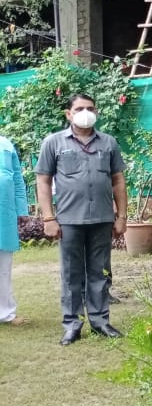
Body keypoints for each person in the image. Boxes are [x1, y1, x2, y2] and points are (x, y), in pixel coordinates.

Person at [35, 94, 128, 345]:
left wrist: (121, 216)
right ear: (69, 113)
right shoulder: (53, 143)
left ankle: (100, 321)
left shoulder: (108, 143)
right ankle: (72, 324)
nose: (85, 112)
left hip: (102, 219)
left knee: (101, 272)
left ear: (96, 111)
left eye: (90, 108)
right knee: (71, 273)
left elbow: (118, 180)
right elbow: (43, 181)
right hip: (68, 220)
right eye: (79, 108)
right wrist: (48, 218)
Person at [0, 135, 28, 326]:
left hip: (4, 214)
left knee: (3, 268)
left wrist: (22, 209)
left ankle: (6, 313)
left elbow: (17, 179)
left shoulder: (6, 144)